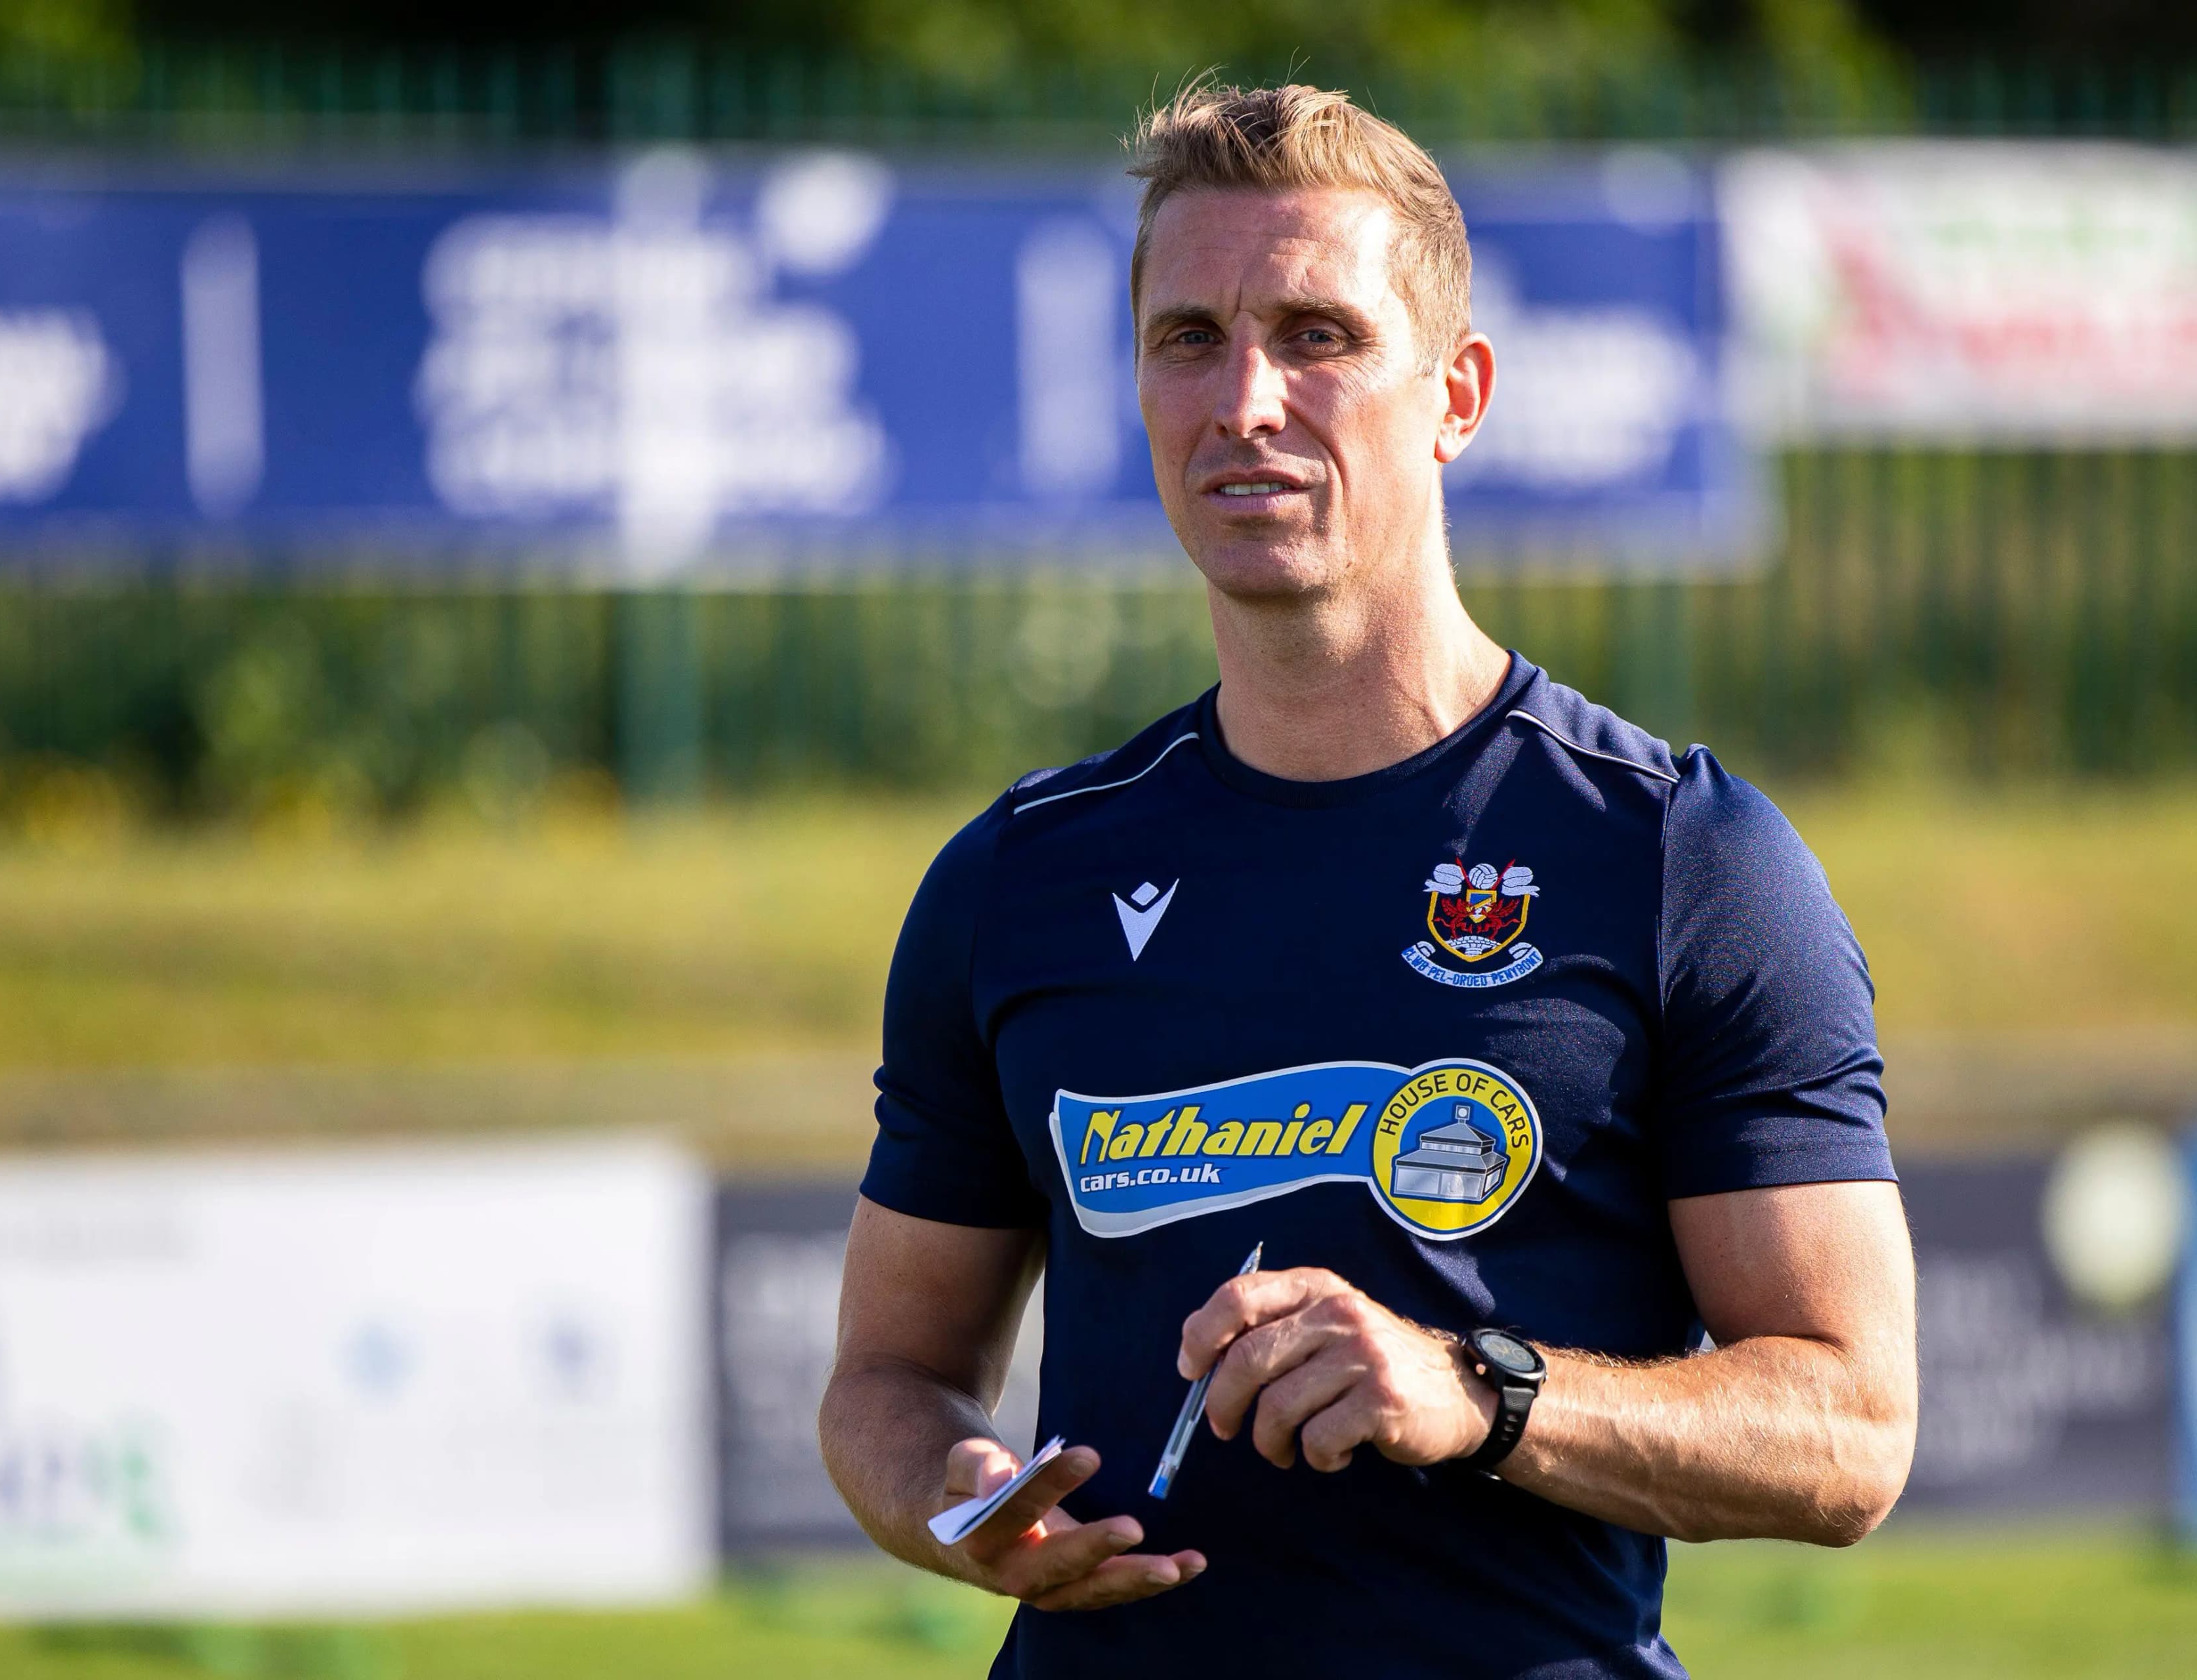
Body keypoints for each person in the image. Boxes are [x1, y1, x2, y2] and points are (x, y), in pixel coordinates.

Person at [817, 79, 1917, 1679]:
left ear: (1456, 390)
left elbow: (1853, 1427)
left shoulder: (1681, 855)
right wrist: (962, 1496)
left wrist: (1477, 1390)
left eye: (1318, 334)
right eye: (1187, 337)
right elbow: (886, 1375)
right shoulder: (1020, 875)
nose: (1245, 396)